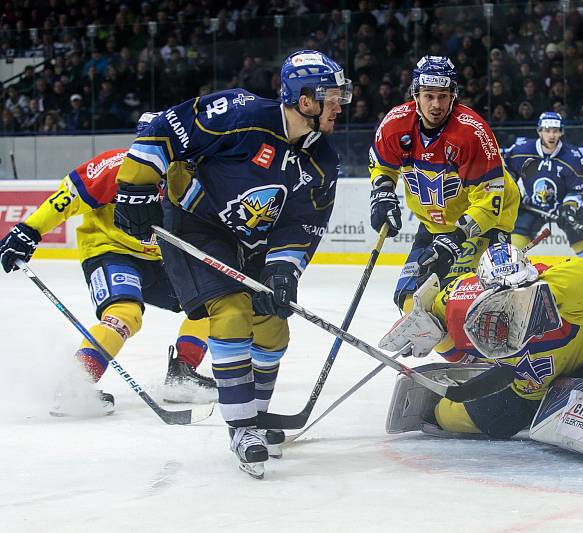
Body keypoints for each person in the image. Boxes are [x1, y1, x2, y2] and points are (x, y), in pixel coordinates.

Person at [111, 50, 351, 479]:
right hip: (196, 225)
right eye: (332, 96)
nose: (341, 104)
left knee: (274, 322)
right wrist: (136, 185)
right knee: (232, 310)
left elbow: (302, 222)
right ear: (305, 99)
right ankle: (241, 427)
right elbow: (164, 128)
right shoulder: (240, 113)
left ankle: (254, 416)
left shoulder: (322, 158)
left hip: (252, 243)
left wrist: (284, 268)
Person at [380, 242, 583, 471]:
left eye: (519, 293)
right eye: (498, 298)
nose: (510, 307)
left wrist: (533, 302)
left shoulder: (570, 287)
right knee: (445, 417)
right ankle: (526, 412)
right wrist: (418, 318)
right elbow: (434, 309)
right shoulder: (464, 300)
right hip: (524, 385)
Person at [0, 148, 214, 415]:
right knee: (124, 313)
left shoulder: (199, 171)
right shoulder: (120, 164)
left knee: (211, 302)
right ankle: (75, 385)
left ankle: (183, 374)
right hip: (109, 249)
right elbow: (70, 195)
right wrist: (30, 229)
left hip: (163, 257)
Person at [368, 55, 520, 312]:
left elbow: (488, 204)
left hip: (485, 225)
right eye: (428, 95)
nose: (436, 104)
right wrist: (382, 191)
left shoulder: (472, 134)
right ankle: (457, 352)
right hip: (434, 225)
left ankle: (476, 350)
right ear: (415, 94)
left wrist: (456, 238)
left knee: (464, 302)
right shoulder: (395, 125)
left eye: (443, 95)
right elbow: (383, 165)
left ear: (453, 95)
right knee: (410, 300)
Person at [504, 111, 583, 312]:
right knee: (513, 248)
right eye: (547, 130)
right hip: (532, 206)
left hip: (563, 208)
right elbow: (507, 172)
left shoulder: (572, 156)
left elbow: (579, 188)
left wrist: (570, 208)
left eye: (555, 130)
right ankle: (509, 290)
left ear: (561, 132)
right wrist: (514, 194)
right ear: (539, 131)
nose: (551, 135)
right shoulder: (522, 150)